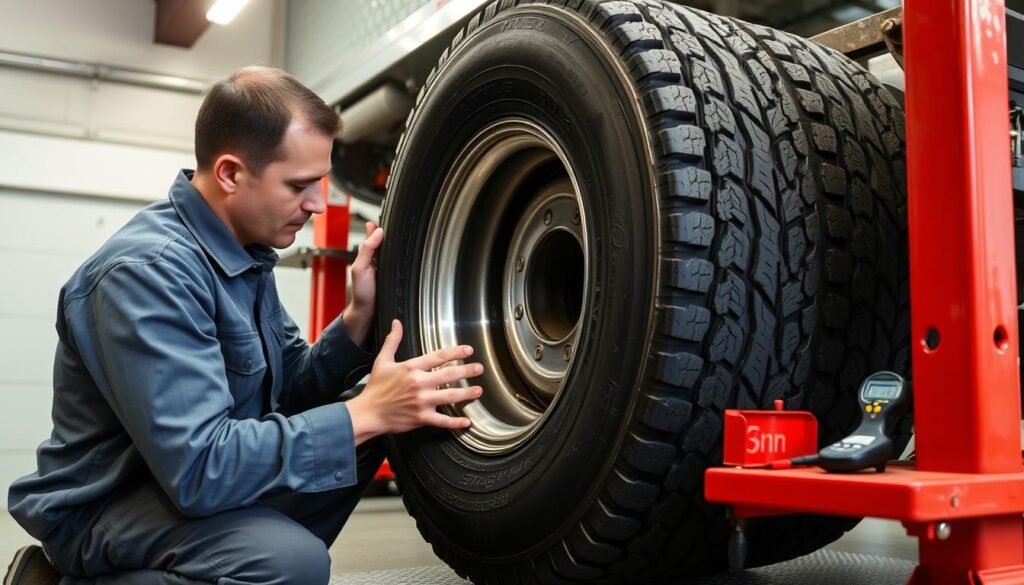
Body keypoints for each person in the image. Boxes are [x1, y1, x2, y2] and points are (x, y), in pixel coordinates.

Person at [3, 66, 484, 585]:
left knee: (378, 425)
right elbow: (200, 468)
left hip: (178, 486)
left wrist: (356, 321)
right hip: (109, 507)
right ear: (231, 173)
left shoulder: (243, 253)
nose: (318, 205)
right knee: (288, 562)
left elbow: (287, 390)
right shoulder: (146, 275)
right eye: (299, 185)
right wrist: (362, 414)